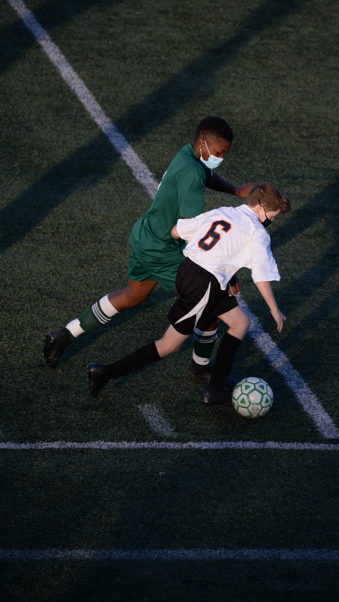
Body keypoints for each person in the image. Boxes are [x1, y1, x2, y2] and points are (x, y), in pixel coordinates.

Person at [43, 116, 255, 384]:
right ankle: (200, 368)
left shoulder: (187, 154)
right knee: (210, 299)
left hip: (145, 235)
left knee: (133, 295)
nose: (220, 158)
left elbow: (206, 174)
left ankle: (64, 334)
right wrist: (224, 272)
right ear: (203, 143)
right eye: (219, 153)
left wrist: (235, 190)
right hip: (162, 249)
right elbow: (191, 228)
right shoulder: (192, 173)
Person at [87, 182, 290, 404]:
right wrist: (274, 309)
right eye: (272, 216)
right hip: (205, 285)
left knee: (240, 323)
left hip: (188, 272)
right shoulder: (258, 232)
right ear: (261, 208)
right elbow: (261, 276)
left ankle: (215, 389)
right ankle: (105, 373)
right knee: (169, 344)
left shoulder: (224, 211)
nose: (270, 221)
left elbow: (177, 231)